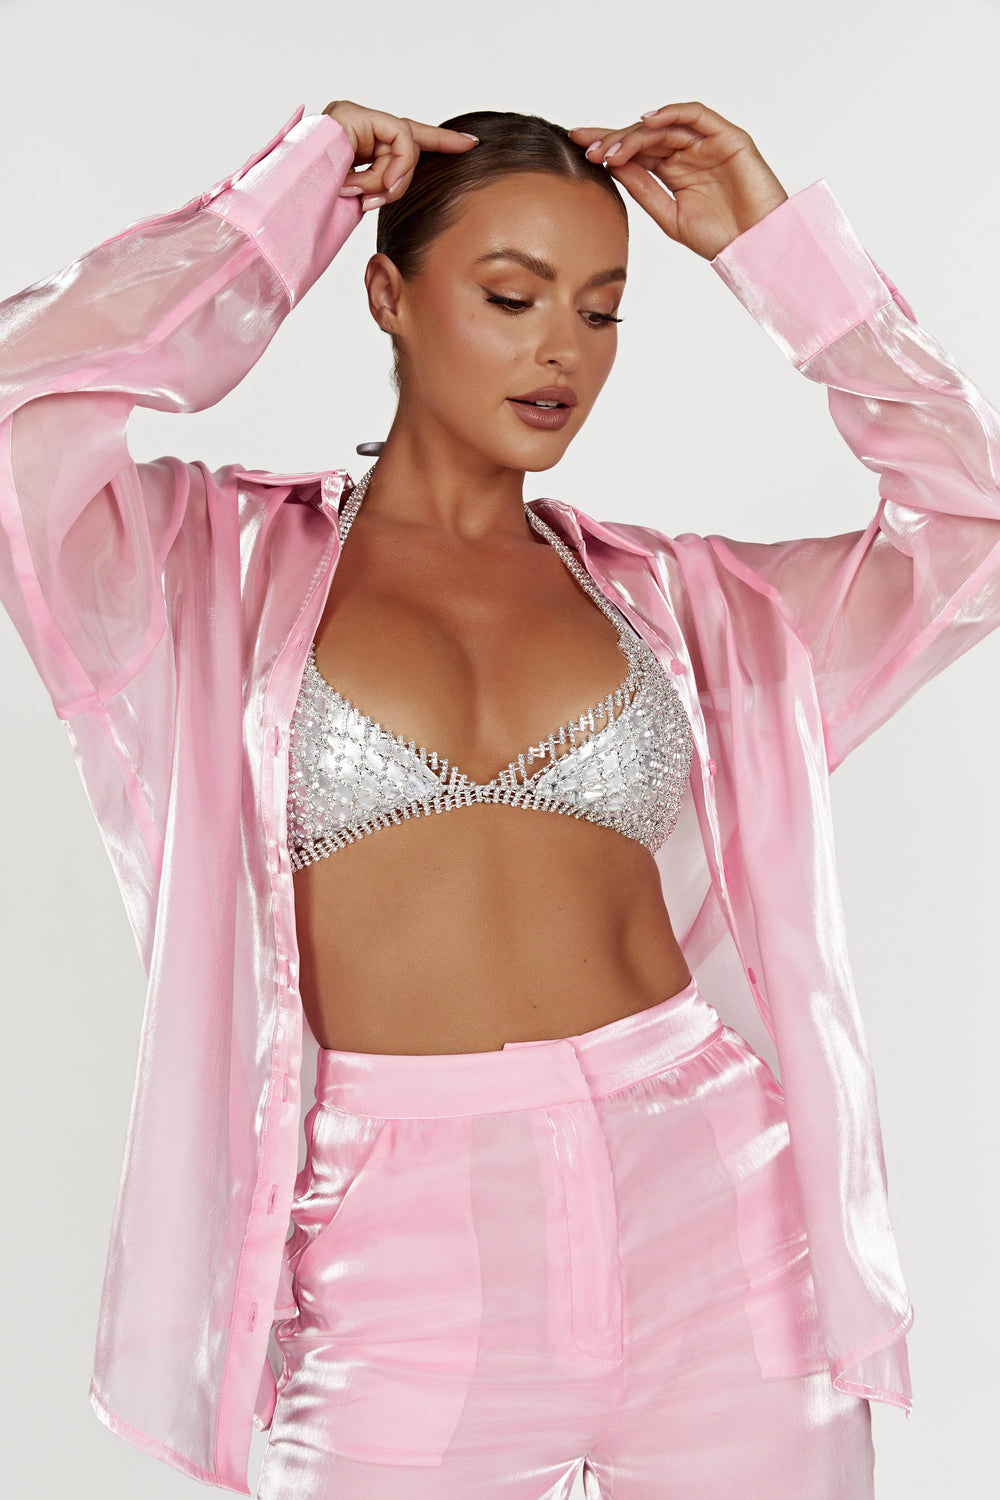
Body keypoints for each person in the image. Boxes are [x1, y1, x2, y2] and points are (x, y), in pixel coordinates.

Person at [1, 92, 998, 1498]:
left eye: (602, 310)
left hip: (721, 1227)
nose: (562, 350)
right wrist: (293, 196)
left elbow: (971, 526)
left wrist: (778, 254)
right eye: (513, 295)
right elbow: (18, 413)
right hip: (395, 1265)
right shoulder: (199, 569)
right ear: (388, 296)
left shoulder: (688, 608)